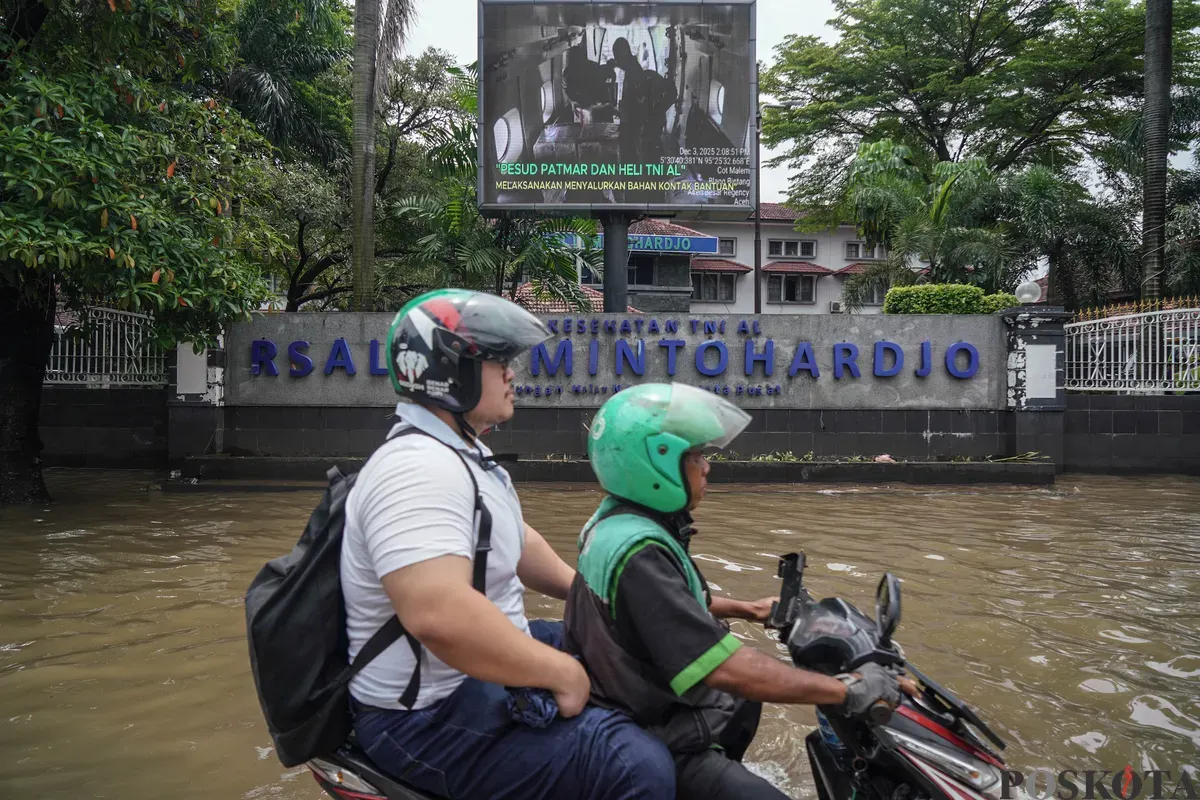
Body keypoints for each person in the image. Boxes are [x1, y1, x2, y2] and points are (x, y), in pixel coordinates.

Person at [341, 289, 675, 800]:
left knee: (638, 654)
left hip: (460, 676)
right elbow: (438, 614)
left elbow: (518, 545)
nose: (512, 374)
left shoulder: (464, 455)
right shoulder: (416, 470)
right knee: (635, 768)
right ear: (450, 374)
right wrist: (559, 671)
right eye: (498, 362)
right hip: (423, 716)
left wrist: (600, 602)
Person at [564, 383, 906, 800]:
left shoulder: (614, 524)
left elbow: (665, 608)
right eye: (695, 457)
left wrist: (747, 608)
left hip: (637, 708)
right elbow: (725, 669)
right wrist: (848, 689)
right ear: (656, 465)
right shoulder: (639, 552)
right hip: (659, 735)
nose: (706, 468)